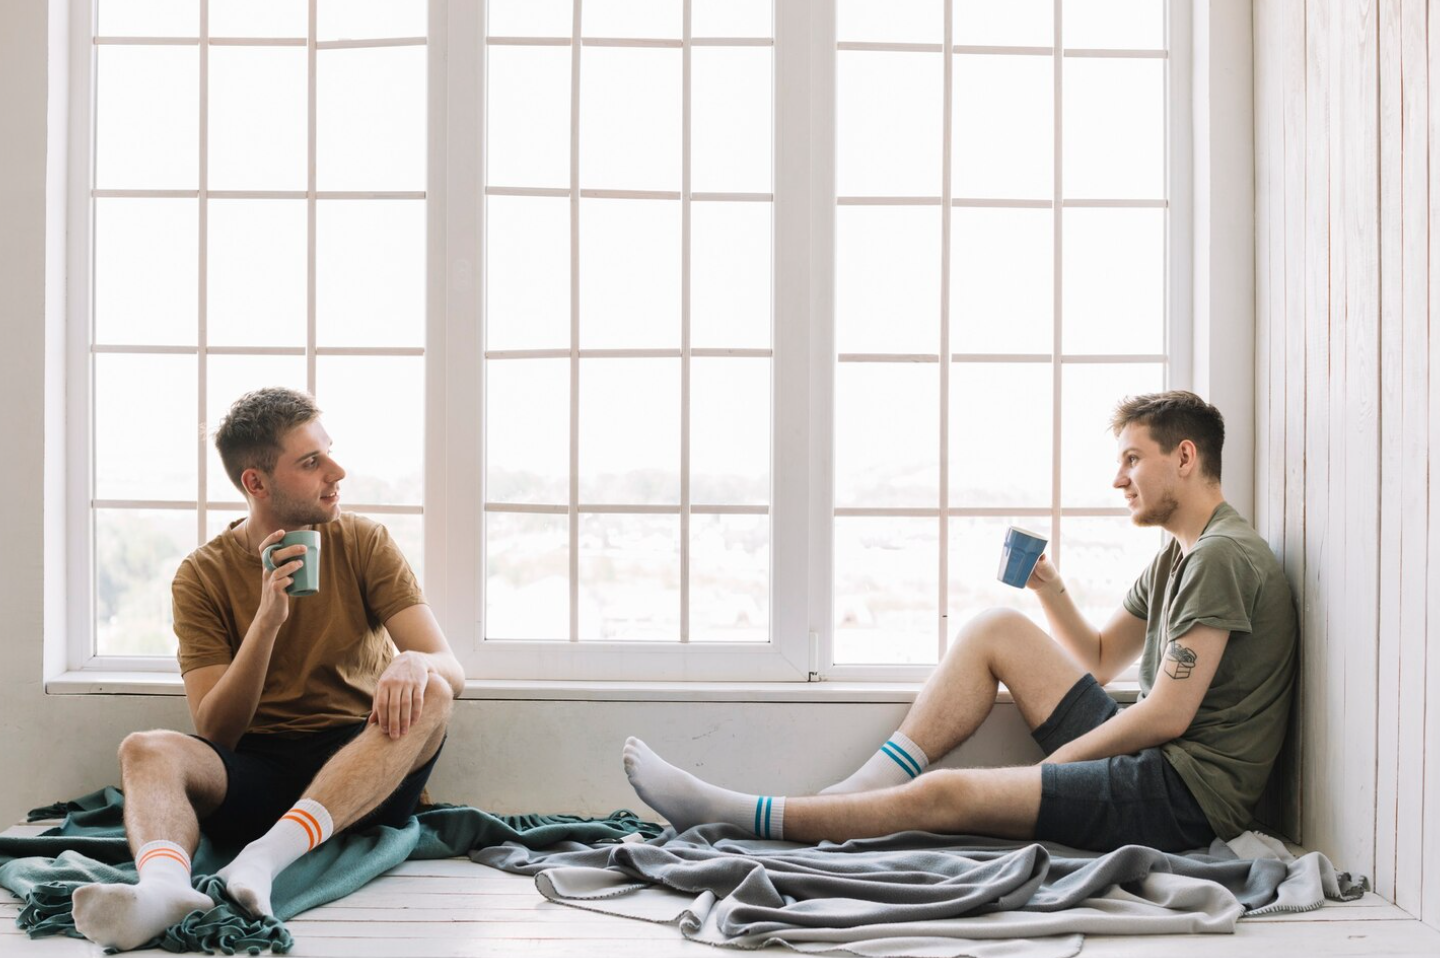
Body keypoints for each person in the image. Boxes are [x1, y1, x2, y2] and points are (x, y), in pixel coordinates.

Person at [624, 390, 1297, 853]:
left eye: (1132, 458)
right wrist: (1052, 589)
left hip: (1184, 796)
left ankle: (746, 816)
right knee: (994, 628)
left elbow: (1167, 716)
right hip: (1157, 760)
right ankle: (861, 791)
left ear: (1183, 457)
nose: (1118, 478)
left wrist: (1059, 766)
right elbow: (1097, 660)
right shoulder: (1178, 557)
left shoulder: (1223, 558)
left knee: (947, 796)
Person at [73, 387, 465, 951]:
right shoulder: (200, 576)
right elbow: (216, 731)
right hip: (259, 766)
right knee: (145, 748)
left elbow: (452, 669)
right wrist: (267, 620)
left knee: (434, 694)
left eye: (328, 452)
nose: (337, 470)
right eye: (311, 462)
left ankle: (264, 858)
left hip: (365, 762)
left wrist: (414, 662)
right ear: (255, 483)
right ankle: (161, 891)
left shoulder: (363, 541)